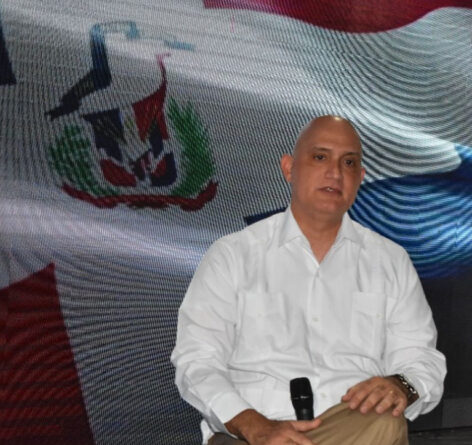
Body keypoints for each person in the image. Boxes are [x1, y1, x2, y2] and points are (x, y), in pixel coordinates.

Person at [170, 115, 446, 445]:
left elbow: (421, 361)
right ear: (289, 169)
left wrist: (402, 385)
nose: (335, 172)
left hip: (355, 429)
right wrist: (254, 425)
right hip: (255, 434)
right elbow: (197, 362)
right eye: (320, 157)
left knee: (384, 421)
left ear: (360, 178)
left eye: (348, 162)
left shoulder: (390, 261)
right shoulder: (233, 255)